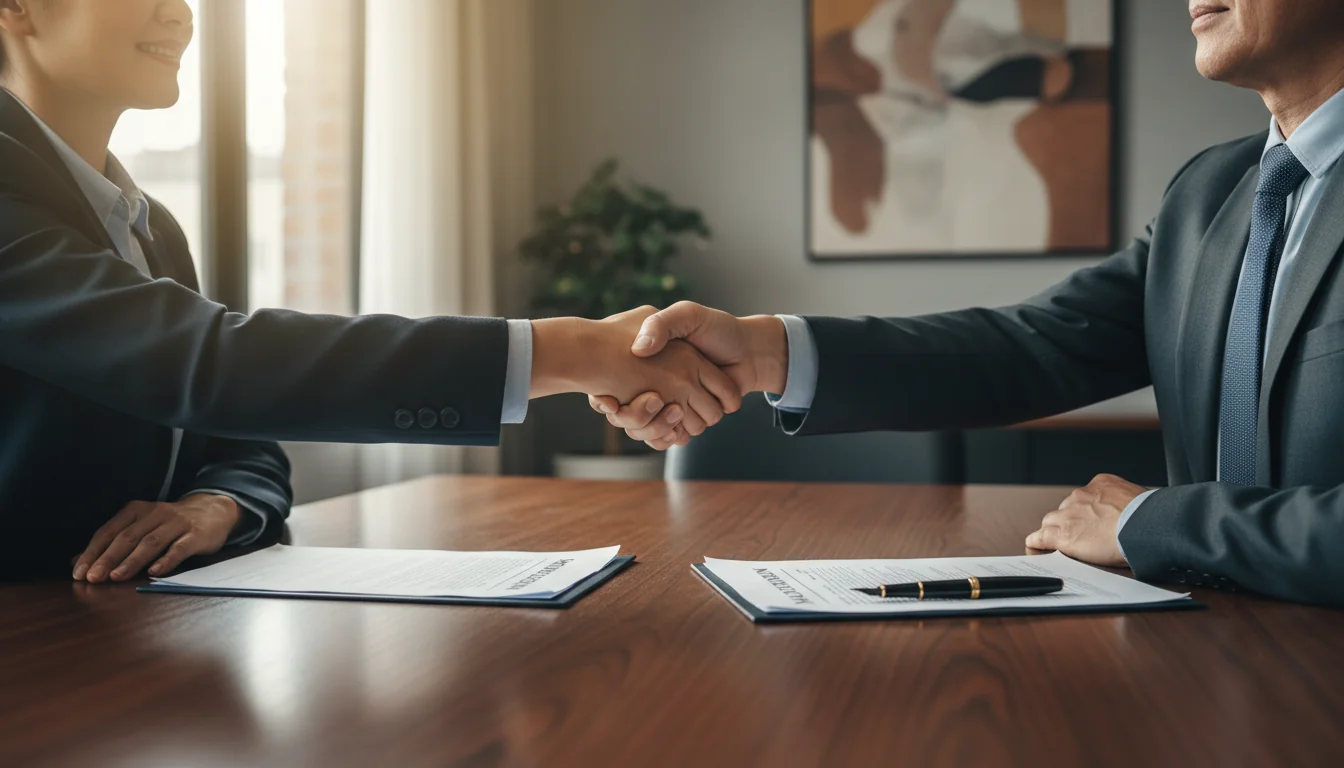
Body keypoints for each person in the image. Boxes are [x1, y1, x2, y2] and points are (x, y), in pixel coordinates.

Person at [597, 0, 1344, 607]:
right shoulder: (1207, 195)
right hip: (1206, 659)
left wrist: (1158, 521)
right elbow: (1032, 346)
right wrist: (768, 351)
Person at [0, 0, 733, 583]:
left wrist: (216, 504)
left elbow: (240, 437)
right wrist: (569, 350)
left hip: (119, 642)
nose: (182, 13)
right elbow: (208, 361)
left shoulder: (147, 225)